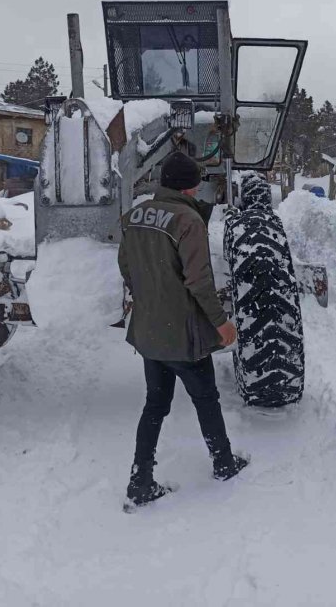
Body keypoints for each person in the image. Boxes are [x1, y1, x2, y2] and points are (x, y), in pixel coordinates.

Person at [118, 151, 249, 509]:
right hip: (183, 333)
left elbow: (127, 270)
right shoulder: (188, 220)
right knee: (206, 399)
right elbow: (200, 281)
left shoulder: (133, 217)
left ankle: (140, 479)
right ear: (190, 187)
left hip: (149, 331)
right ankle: (223, 462)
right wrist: (221, 322)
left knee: (154, 405)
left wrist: (153, 298)